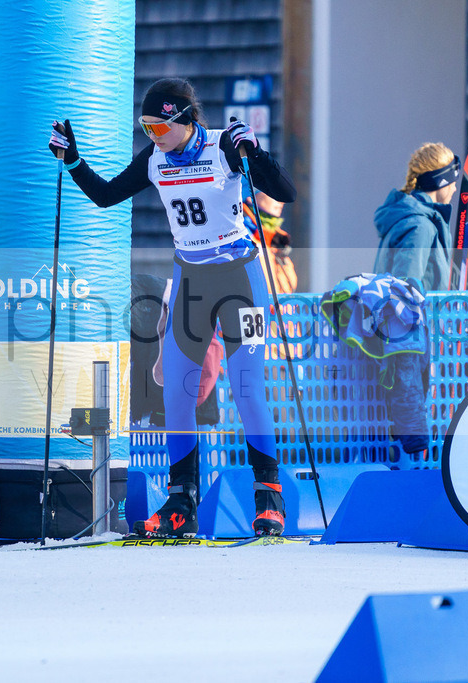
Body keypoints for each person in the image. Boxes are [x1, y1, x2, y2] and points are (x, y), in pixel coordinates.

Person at [49, 78, 297, 537]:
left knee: (246, 387)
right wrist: (74, 162)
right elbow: (107, 195)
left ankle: (269, 496)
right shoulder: (157, 158)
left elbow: (285, 193)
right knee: (176, 392)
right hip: (191, 282)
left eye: (159, 127)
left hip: (241, 279)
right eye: (145, 128)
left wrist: (255, 154)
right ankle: (182, 499)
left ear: (184, 119)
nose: (153, 136)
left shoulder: (224, 146)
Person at [372, 143, 459, 291]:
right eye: (452, 183)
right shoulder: (420, 227)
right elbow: (404, 292)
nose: (455, 189)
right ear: (441, 182)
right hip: (419, 314)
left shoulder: (413, 219)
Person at [242, 190, 298, 295]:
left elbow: (288, 288)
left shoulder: (277, 241)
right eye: (272, 192)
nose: (282, 201)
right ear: (250, 196)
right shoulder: (239, 237)